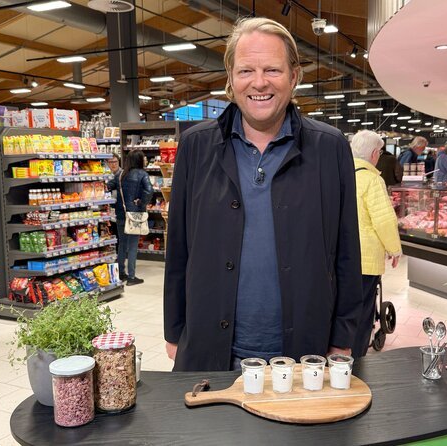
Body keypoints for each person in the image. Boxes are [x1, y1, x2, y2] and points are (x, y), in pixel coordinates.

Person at [163, 17, 363, 372]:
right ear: (230, 77)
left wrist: (343, 336)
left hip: (304, 351)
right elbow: (178, 245)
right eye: (246, 71)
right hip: (211, 348)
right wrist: (175, 329)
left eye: (272, 69)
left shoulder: (329, 148)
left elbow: (347, 251)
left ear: (294, 76)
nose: (259, 83)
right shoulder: (196, 146)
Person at [349, 130, 401, 358]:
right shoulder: (372, 180)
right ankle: (357, 359)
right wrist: (395, 249)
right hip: (365, 259)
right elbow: (384, 220)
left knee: (342, 309)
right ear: (373, 154)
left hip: (339, 256)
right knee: (362, 313)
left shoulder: (340, 175)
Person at [107, 150, 153, 286]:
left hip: (121, 213)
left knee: (122, 244)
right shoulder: (142, 174)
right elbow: (149, 191)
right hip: (135, 214)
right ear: (139, 160)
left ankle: (121, 273)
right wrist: (141, 202)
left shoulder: (121, 174)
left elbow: (108, 186)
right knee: (133, 246)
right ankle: (132, 277)